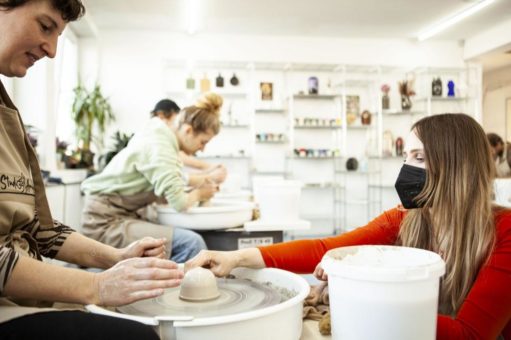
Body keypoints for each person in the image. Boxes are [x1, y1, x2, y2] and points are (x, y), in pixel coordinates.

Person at [186, 113, 511, 339]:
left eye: (420, 158)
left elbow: (470, 334)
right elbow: (329, 248)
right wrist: (235, 258)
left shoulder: (504, 231)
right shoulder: (407, 219)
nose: (406, 169)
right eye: (406, 157)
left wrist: (355, 293)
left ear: (457, 167)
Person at [0, 1, 183, 339]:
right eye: (44, 26)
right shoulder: (157, 138)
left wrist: (116, 257)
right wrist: (97, 285)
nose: (53, 50)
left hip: (20, 293)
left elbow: (40, 229)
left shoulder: (7, 110)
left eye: (58, 34)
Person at [81, 93, 224, 263]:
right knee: (192, 243)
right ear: (188, 130)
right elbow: (179, 203)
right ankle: (171, 289)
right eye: (203, 142)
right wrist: (200, 194)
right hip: (105, 223)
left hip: (121, 214)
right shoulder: (160, 146)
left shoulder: (160, 134)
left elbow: (173, 181)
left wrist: (199, 187)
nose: (203, 149)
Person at [150, 98, 227, 185]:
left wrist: (208, 172)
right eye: (203, 142)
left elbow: (179, 177)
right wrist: (208, 173)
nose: (177, 124)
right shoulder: (158, 141)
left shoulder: (167, 142)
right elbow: (174, 183)